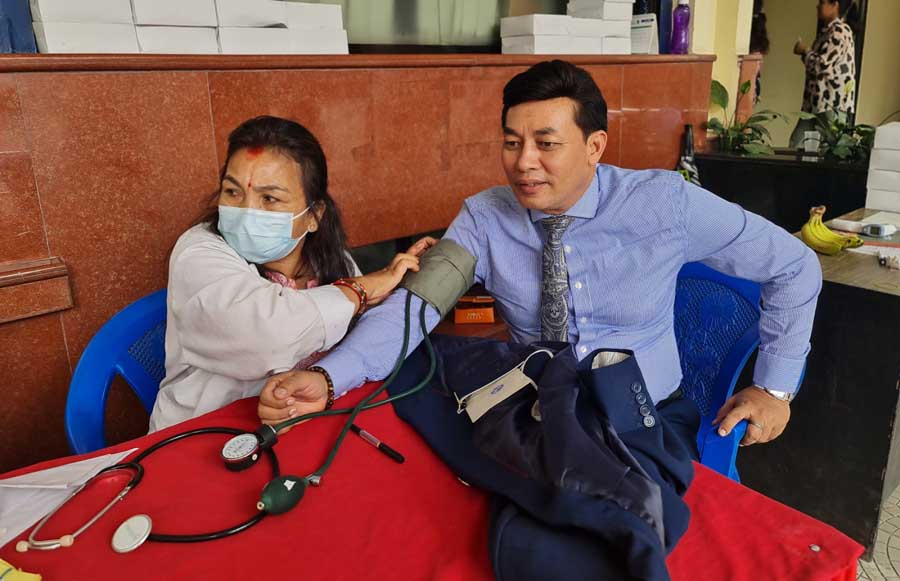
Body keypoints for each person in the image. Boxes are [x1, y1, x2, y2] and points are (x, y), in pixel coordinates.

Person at [257, 60, 822, 452]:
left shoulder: (665, 204)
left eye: (546, 143)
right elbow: (416, 307)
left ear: (594, 146)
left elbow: (794, 266)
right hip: (536, 411)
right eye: (512, 142)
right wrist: (329, 377)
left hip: (644, 420)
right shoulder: (484, 217)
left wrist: (773, 389)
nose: (523, 162)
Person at [149, 116, 433, 432]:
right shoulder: (198, 253)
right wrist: (360, 290)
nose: (246, 211)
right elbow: (266, 336)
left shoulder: (331, 261)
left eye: (269, 198)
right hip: (199, 435)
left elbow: (366, 342)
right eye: (232, 192)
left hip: (299, 429)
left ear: (313, 215)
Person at [789, 0, 856, 149]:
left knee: (832, 147)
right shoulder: (828, 31)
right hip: (815, 102)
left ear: (835, 5)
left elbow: (822, 65)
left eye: (823, 2)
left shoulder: (839, 31)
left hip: (831, 102)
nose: (818, 6)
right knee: (797, 143)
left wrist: (805, 50)